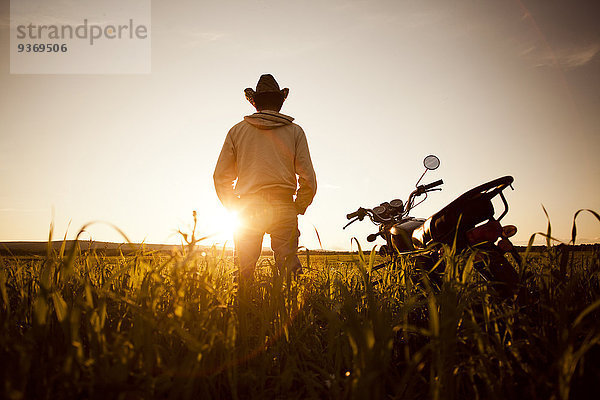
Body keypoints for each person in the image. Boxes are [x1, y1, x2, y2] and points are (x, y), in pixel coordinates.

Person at [213, 74, 317, 286]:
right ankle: (295, 313)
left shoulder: (237, 131)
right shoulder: (295, 131)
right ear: (279, 103)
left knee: (243, 270)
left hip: (248, 205)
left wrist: (234, 205)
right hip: (284, 203)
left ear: (256, 103)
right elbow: (308, 177)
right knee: (290, 269)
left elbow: (220, 176)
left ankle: (243, 312)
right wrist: (299, 204)